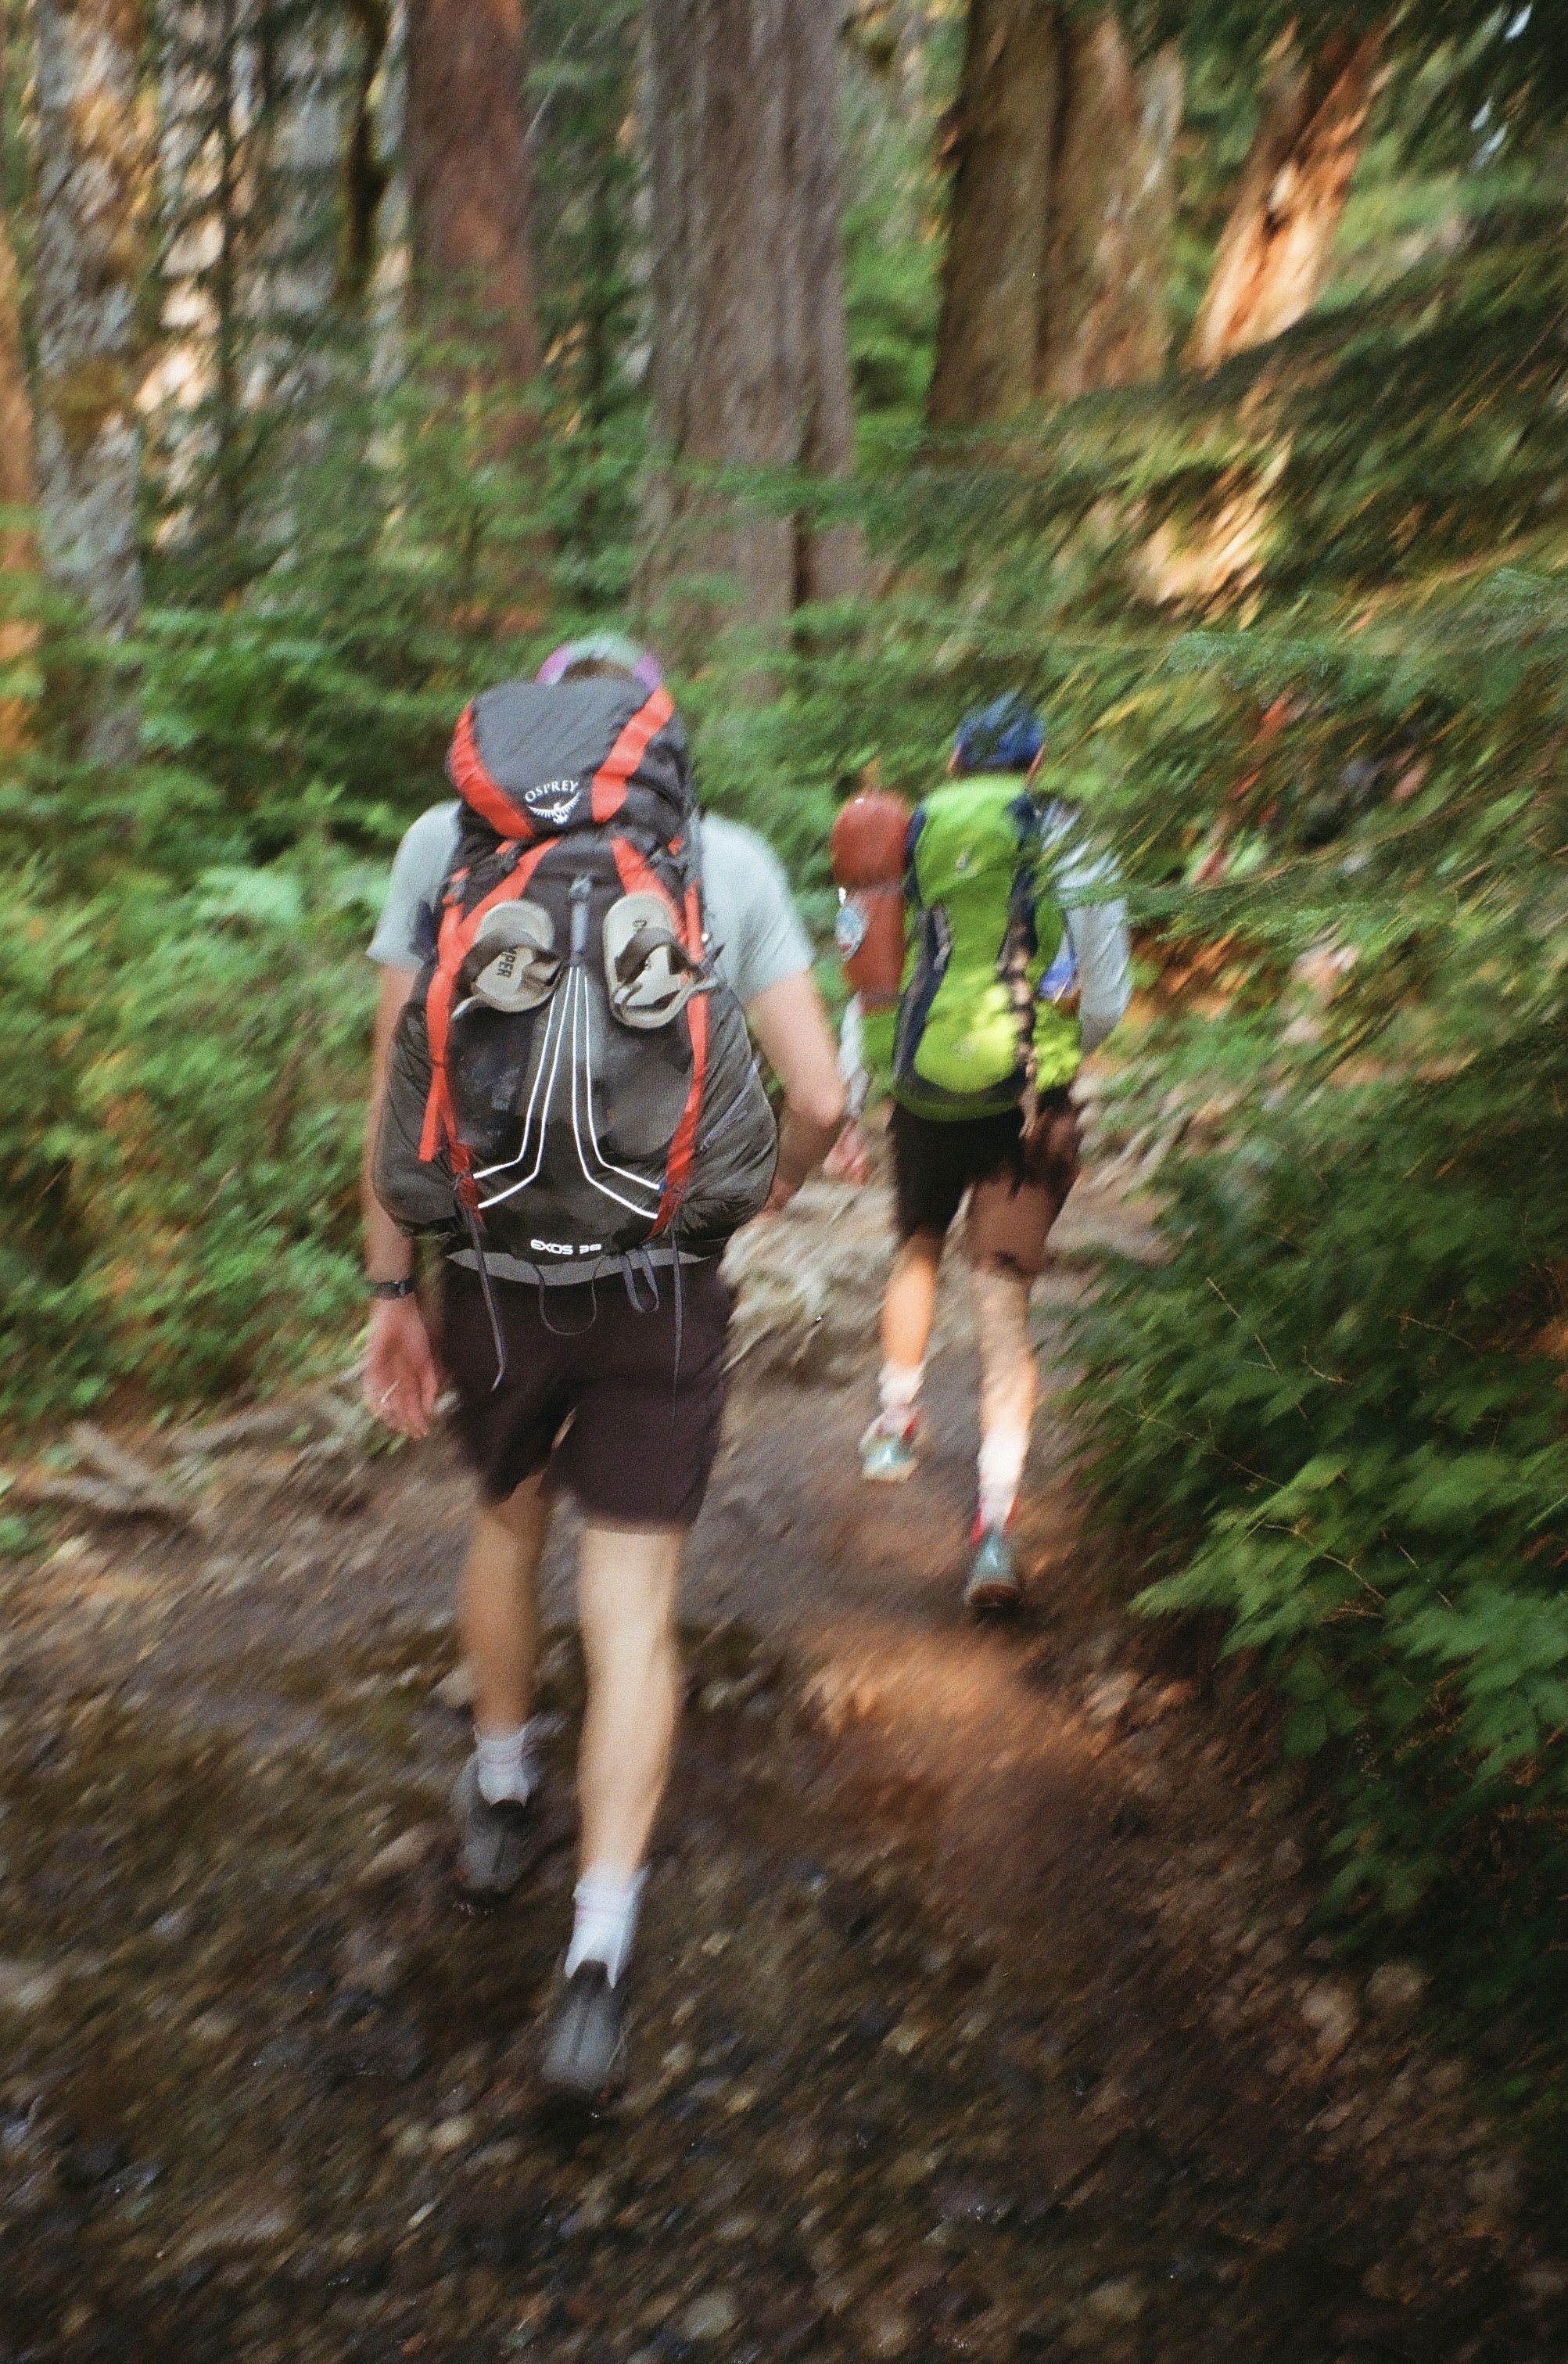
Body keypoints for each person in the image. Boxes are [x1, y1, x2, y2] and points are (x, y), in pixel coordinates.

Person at [361, 634, 845, 2102]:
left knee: (506, 1525)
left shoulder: (446, 848)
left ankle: (503, 1794)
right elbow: (822, 1096)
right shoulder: (724, 861)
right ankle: (596, 1955)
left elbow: (393, 1087)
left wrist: (391, 1288)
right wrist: (762, 1189)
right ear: (655, 739)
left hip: (493, 1276)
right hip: (660, 1284)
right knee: (631, 1607)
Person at [838, 694, 1130, 1614]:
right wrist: (1065, 1061)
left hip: (925, 1086)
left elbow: (870, 963)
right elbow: (1103, 993)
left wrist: (858, 1082)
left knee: (916, 1247)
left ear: (956, 760)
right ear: (1036, 765)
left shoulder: (906, 829)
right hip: (1026, 1097)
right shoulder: (1069, 840)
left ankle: (895, 1423)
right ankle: (994, 1531)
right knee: (1003, 1306)